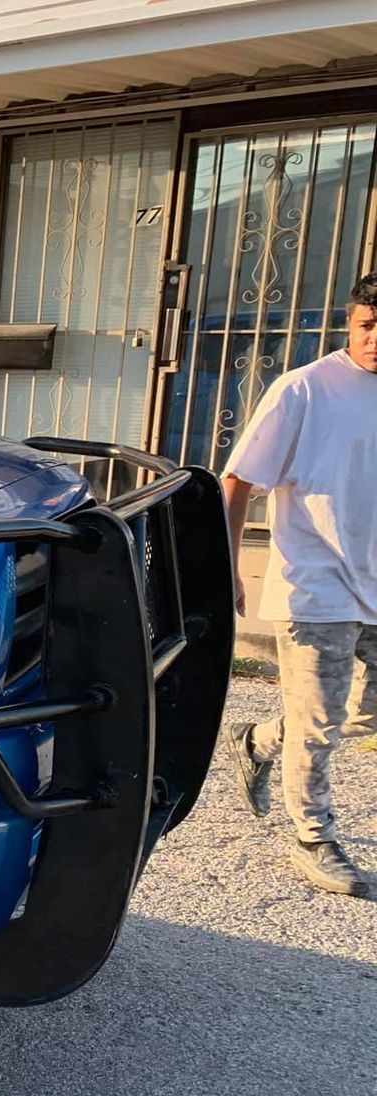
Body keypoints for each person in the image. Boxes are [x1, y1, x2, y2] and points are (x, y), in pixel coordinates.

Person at [218, 270, 377, 899]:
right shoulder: (304, 391)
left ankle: (255, 740)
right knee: (319, 724)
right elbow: (237, 482)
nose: (376, 339)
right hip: (317, 587)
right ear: (350, 322)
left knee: (356, 716)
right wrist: (227, 566)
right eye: (368, 326)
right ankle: (312, 836)